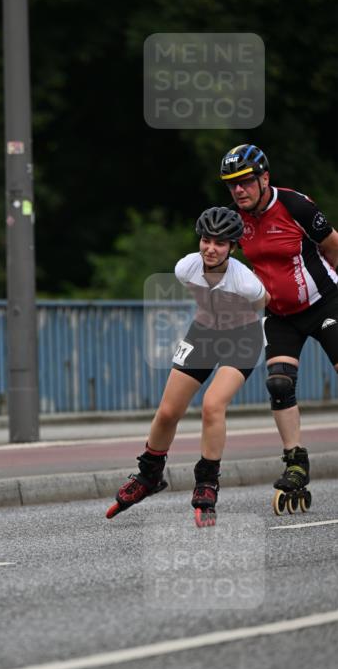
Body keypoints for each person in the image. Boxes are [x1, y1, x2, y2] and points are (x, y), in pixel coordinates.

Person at [106, 206, 269, 527]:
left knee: (212, 405)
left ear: (233, 248)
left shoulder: (247, 282)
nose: (211, 248)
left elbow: (265, 308)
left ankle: (207, 482)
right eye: (207, 240)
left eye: (220, 243)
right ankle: (149, 474)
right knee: (168, 411)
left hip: (243, 339)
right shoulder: (185, 268)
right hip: (204, 333)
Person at [219, 144, 338, 513]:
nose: (239, 190)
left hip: (325, 303)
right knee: (278, 383)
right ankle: (296, 462)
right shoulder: (235, 220)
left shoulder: (295, 206)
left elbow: (333, 246)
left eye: (245, 182)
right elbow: (221, 263)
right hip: (280, 314)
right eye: (232, 185)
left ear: (264, 178)